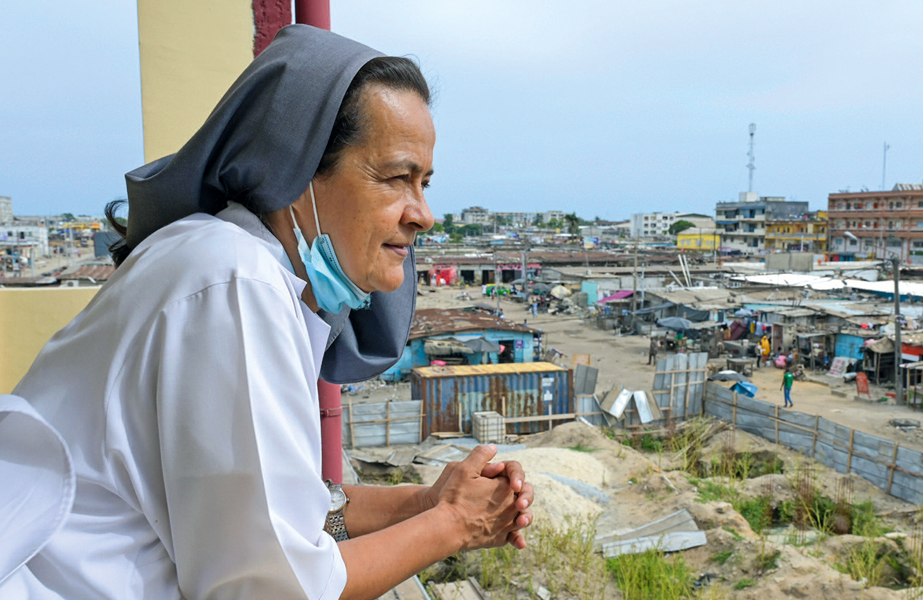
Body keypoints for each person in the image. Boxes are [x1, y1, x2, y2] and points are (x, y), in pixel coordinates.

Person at [0, 26, 533, 600]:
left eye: (425, 183)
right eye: (396, 178)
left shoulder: (242, 270)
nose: (423, 214)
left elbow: (295, 512)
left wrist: (425, 502)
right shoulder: (234, 280)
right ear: (296, 171)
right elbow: (274, 588)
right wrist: (452, 523)